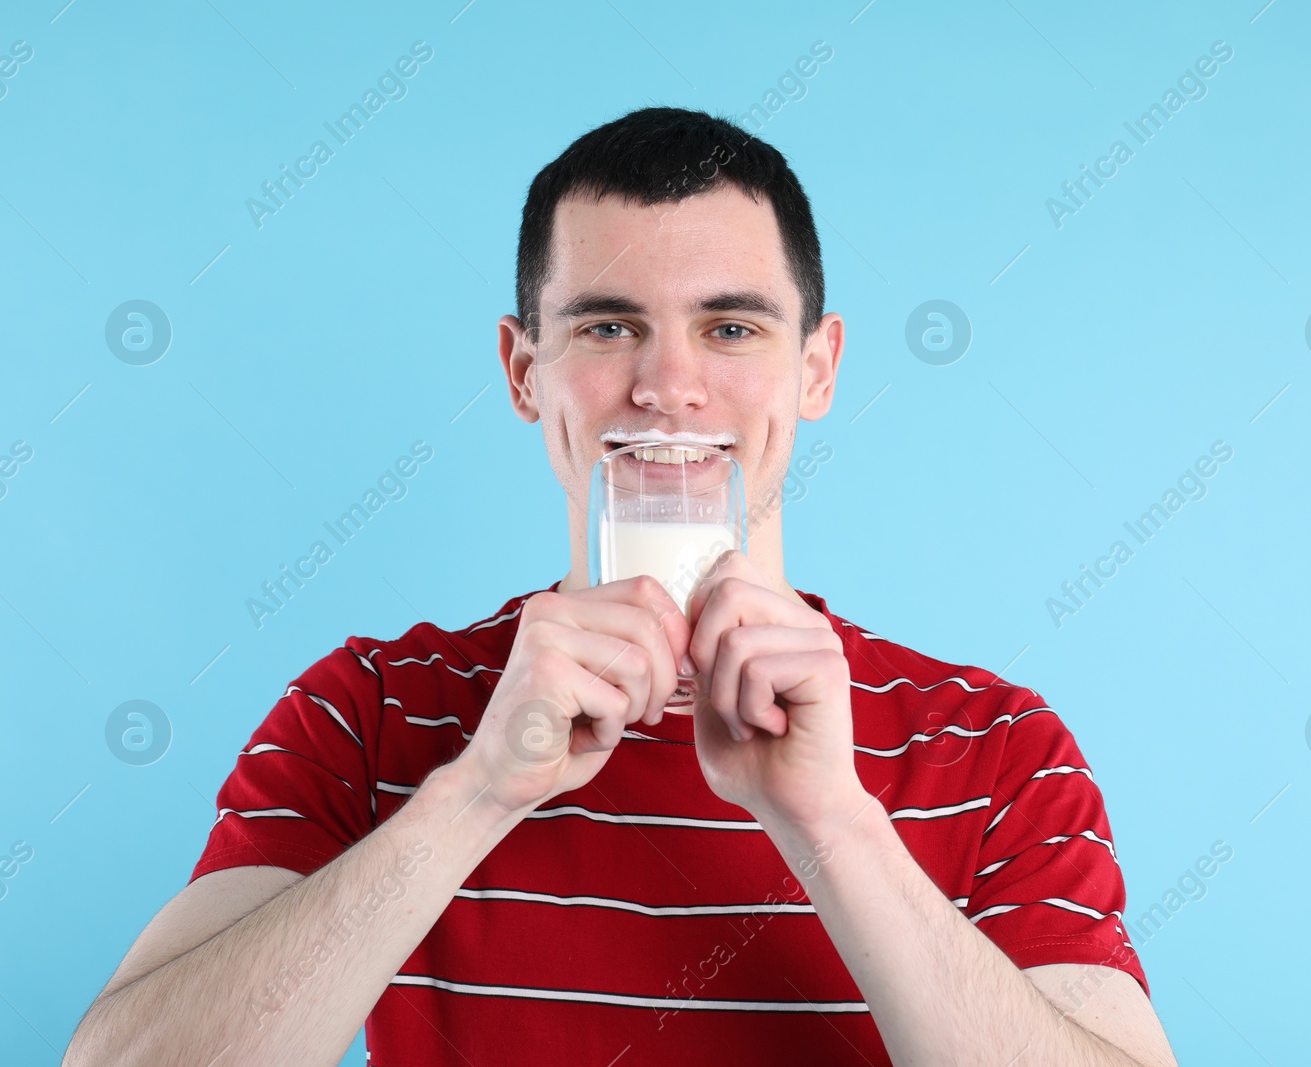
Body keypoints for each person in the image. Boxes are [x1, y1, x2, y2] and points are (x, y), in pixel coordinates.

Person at [66, 107, 1177, 1067]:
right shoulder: (369, 713)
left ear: (818, 368)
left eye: (730, 327)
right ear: (521, 371)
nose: (668, 385)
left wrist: (835, 824)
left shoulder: (994, 750)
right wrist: (476, 793)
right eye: (608, 326)